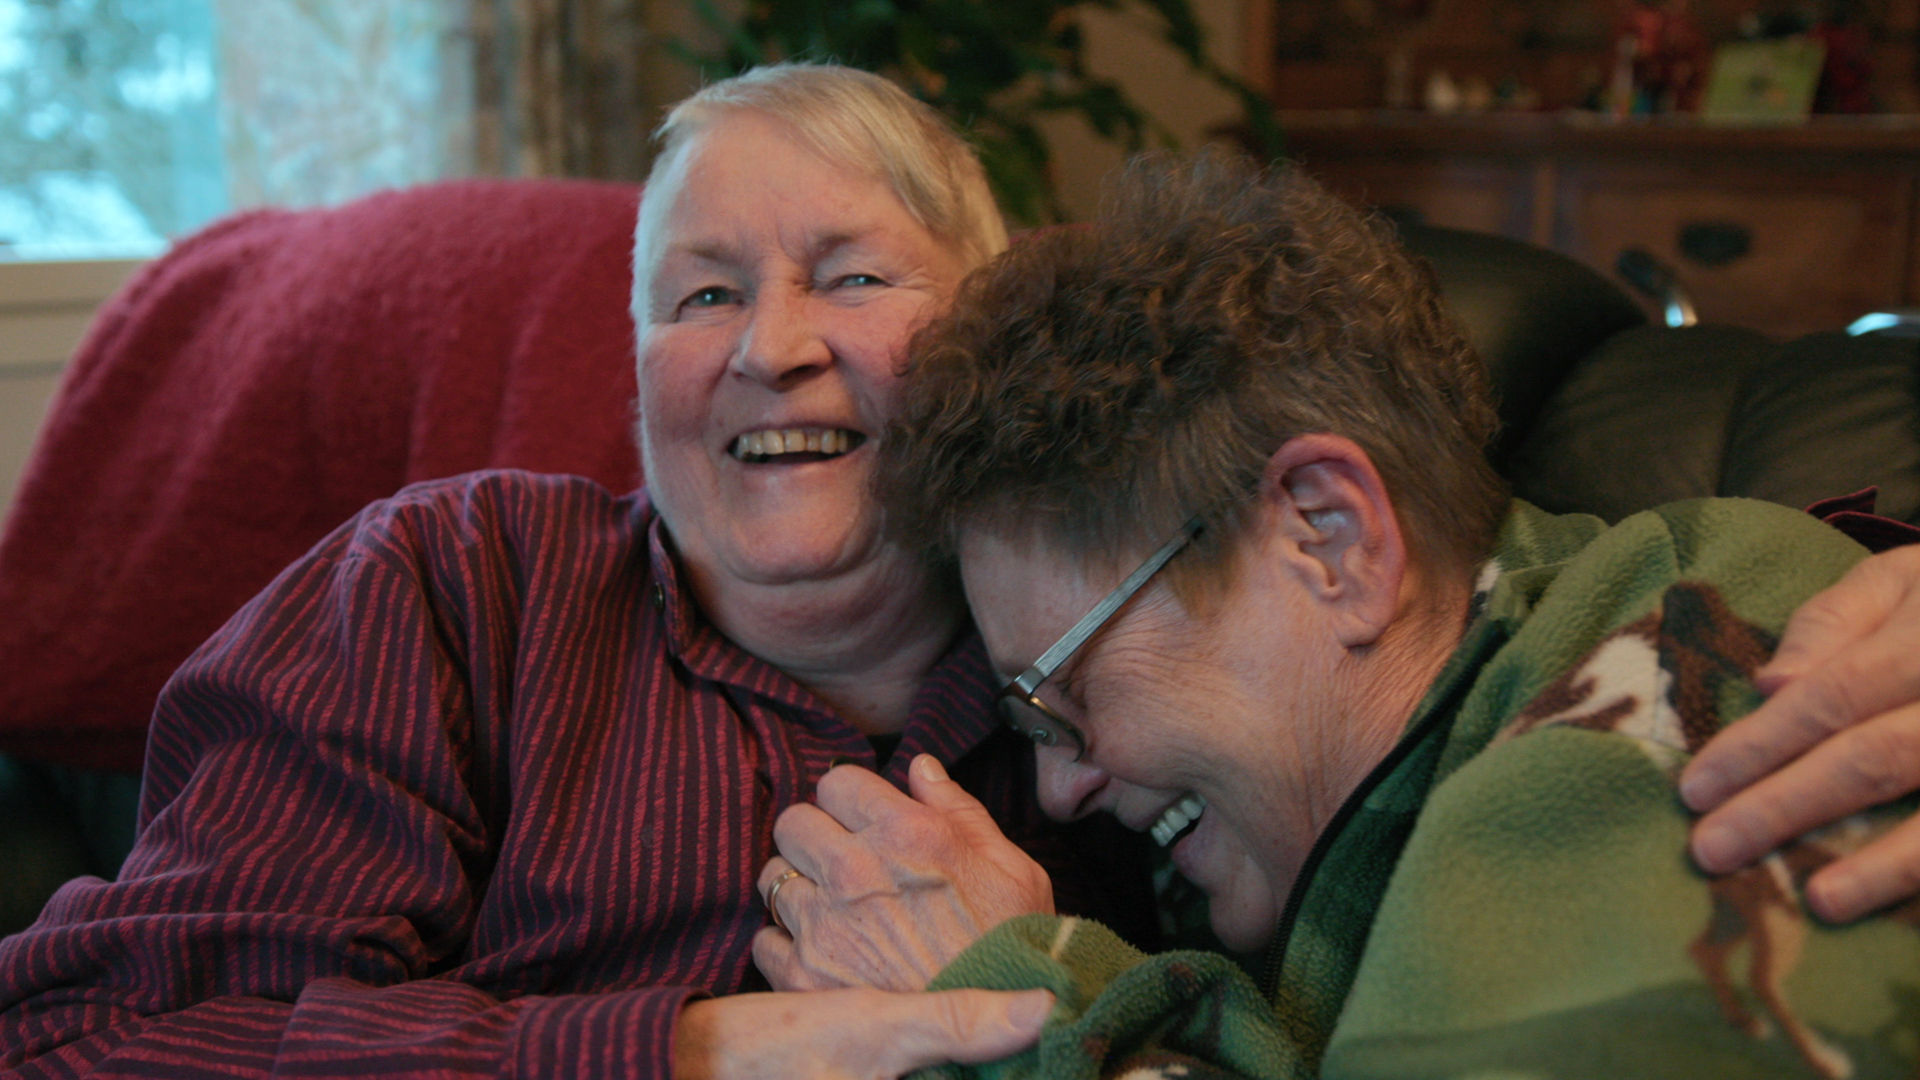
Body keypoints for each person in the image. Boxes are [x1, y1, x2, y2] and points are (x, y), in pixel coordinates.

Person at [1, 63, 1917, 1080]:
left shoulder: (1179, 723)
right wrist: (689, 1051)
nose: (771, 347)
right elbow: (88, 1040)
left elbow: (1569, 613)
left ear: (990, 340)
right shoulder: (453, 592)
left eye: (850, 276)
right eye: (696, 296)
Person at [755, 149, 1920, 1079]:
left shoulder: (1679, 664)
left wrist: (1014, 1010)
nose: (1061, 786)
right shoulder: (1346, 839)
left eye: (1065, 694)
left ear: (1330, 538)